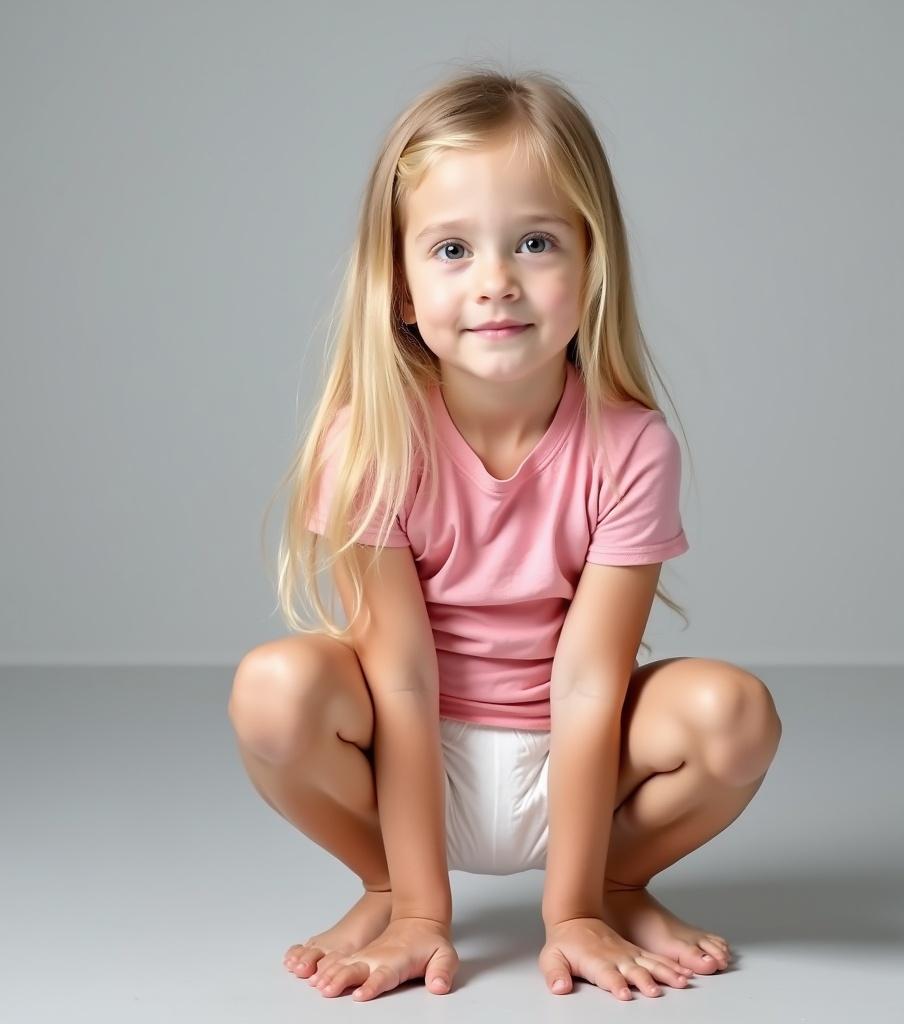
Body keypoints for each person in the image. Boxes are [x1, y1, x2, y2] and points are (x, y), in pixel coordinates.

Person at [228, 66, 783, 1004]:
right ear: (399, 288)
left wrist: (570, 913)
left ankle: (613, 882)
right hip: (407, 763)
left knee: (734, 714)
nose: (496, 282)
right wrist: (422, 915)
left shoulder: (632, 444)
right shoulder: (370, 440)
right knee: (273, 692)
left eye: (534, 242)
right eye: (451, 250)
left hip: (582, 767)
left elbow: (589, 679)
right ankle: (386, 885)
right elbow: (399, 679)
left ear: (591, 264)